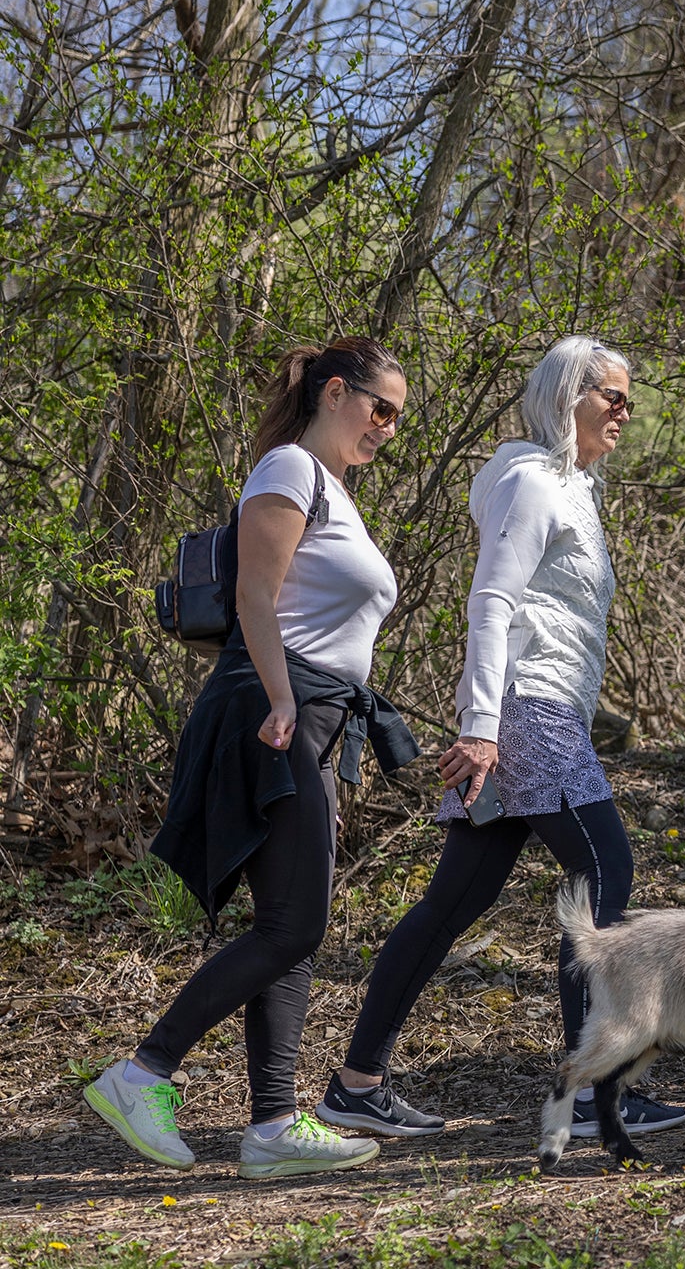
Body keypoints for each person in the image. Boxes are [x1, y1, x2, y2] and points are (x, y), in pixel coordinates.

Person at [315, 337, 685, 1141]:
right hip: (525, 711)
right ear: (565, 397)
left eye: (629, 398)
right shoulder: (529, 482)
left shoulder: (572, 488)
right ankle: (590, 1092)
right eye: (610, 396)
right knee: (603, 869)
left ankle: (356, 1084)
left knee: (455, 899)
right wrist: (481, 729)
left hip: (534, 711)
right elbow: (492, 603)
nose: (624, 409)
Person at [87, 337, 419, 1179]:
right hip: (275, 709)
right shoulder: (287, 470)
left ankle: (271, 1126)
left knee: (289, 923)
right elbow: (254, 598)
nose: (387, 428)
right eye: (380, 408)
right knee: (297, 923)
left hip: (313, 716)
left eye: (398, 418)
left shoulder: (336, 489)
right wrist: (280, 700)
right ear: (334, 391)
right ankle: (142, 1072)